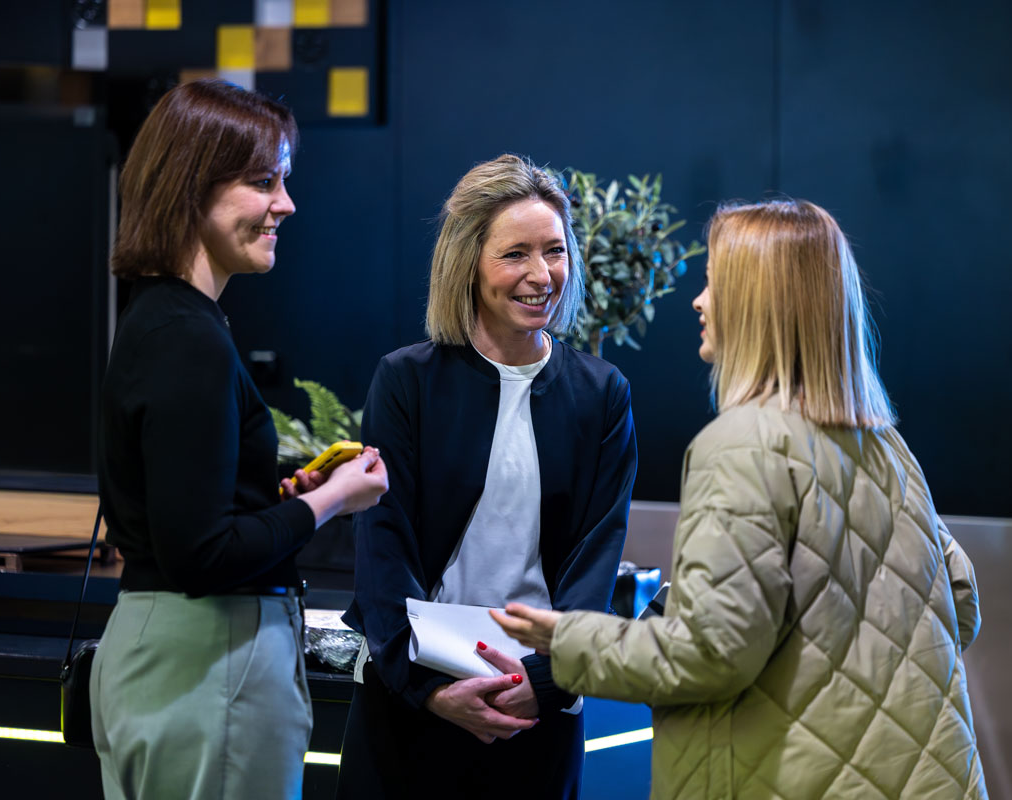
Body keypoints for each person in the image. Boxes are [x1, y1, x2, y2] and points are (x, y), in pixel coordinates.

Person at [494, 199, 988, 799]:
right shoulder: (886, 444)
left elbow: (711, 655)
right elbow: (958, 604)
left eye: (713, 283)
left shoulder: (741, 445)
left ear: (759, 304)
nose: (698, 301)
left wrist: (565, 642)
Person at [90, 79, 389, 800]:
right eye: (263, 182)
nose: (286, 204)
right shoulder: (187, 337)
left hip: (178, 658)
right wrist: (332, 501)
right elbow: (201, 556)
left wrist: (277, 502)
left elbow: (187, 522)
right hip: (207, 661)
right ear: (191, 186)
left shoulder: (164, 319)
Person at [336, 154, 638, 799]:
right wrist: (430, 690)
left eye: (554, 251)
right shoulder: (406, 381)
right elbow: (384, 546)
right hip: (412, 702)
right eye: (515, 254)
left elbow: (596, 555)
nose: (541, 275)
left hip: (537, 707)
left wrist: (546, 681)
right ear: (467, 263)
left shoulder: (602, 393)